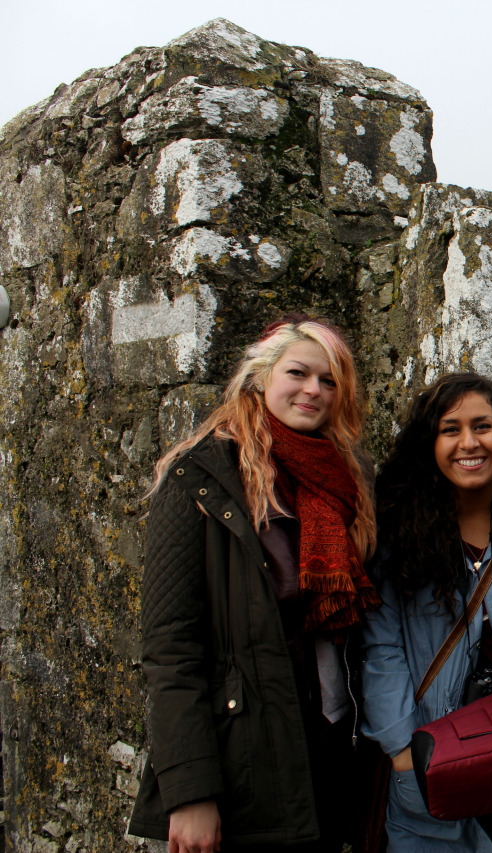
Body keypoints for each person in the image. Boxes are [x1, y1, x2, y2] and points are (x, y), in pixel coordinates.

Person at [128, 315, 381, 853]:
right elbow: (171, 648)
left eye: (330, 380)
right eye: (299, 372)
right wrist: (190, 792)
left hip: (331, 743)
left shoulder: (349, 479)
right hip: (245, 761)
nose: (314, 390)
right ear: (260, 376)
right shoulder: (203, 476)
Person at [361, 373, 492, 852]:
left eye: (483, 426)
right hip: (431, 758)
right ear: (430, 442)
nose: (469, 443)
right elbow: (381, 647)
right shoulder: (398, 533)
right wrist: (402, 751)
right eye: (450, 429)